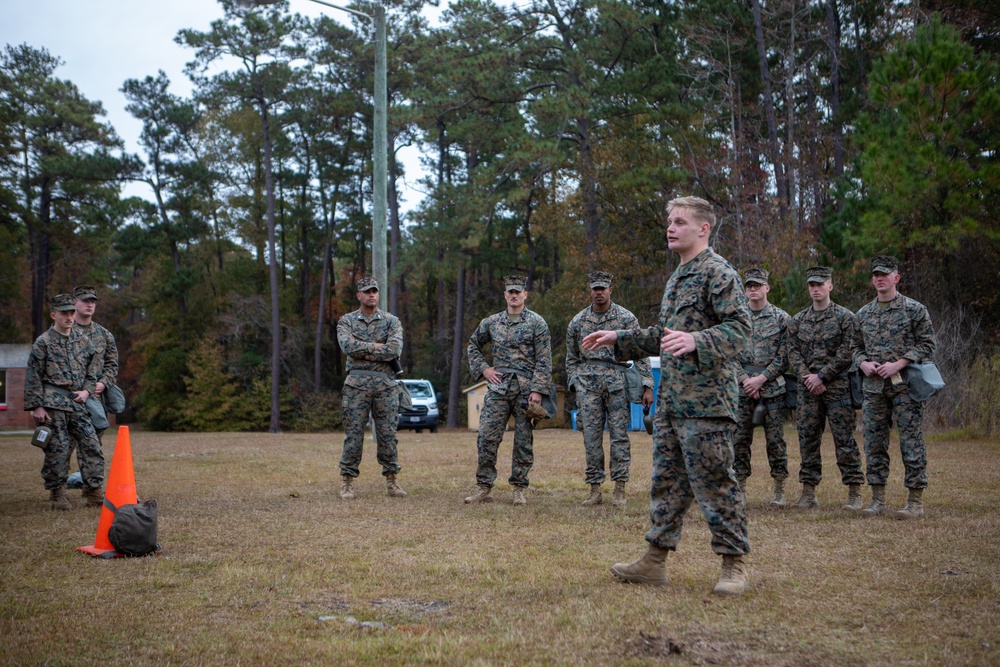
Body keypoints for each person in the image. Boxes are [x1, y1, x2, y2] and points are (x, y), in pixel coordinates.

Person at [581, 196, 752, 596]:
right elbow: (664, 334)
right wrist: (619, 337)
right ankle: (654, 561)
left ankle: (734, 564)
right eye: (669, 222)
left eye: (680, 222)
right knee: (667, 483)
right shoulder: (679, 275)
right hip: (673, 402)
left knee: (716, 483)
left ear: (703, 228)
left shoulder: (718, 272)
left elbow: (742, 330)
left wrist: (698, 339)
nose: (671, 228)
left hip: (708, 403)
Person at [853, 255, 936, 520]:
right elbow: (853, 347)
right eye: (876, 275)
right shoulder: (863, 314)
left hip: (905, 388)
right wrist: (862, 362)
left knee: (911, 442)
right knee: (874, 444)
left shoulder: (914, 310)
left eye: (885, 275)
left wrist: (898, 363)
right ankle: (877, 499)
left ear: (896, 278)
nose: (879, 279)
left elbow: (927, 345)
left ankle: (915, 501)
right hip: (874, 389)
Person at [566, 271, 653, 507]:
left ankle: (619, 488)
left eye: (603, 288)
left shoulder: (626, 318)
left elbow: (641, 351)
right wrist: (575, 382)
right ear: (590, 290)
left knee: (619, 438)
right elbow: (571, 358)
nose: (599, 292)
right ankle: (594, 489)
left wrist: (647, 385)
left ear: (610, 289)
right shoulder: (578, 322)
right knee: (591, 439)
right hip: (588, 387)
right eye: (595, 288)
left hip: (617, 383)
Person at [465, 275, 552, 506]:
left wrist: (538, 390)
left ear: (525, 294)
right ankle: (484, 486)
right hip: (498, 387)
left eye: (518, 291)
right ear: (505, 295)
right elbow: (473, 345)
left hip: (526, 390)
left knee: (523, 441)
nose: (514, 295)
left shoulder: (537, 323)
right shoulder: (491, 322)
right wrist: (484, 369)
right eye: (510, 291)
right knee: (486, 437)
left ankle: (519, 488)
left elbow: (544, 359)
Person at [785, 266, 865, 510]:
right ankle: (808, 493)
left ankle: (854, 492)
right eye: (812, 285)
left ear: (830, 285)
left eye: (820, 284)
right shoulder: (798, 320)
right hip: (807, 389)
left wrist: (822, 376)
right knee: (807, 440)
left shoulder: (845, 318)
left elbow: (848, 351)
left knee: (844, 440)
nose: (816, 289)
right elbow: (792, 352)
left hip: (837, 388)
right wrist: (808, 377)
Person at [23, 294, 105, 510]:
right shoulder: (44, 343)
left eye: (71, 312)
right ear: (54, 315)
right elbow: (33, 377)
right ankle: (57, 493)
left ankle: (94, 491)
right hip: (53, 404)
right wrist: (37, 406)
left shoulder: (83, 341)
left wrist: (87, 391)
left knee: (91, 444)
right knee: (57, 450)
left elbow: (92, 371)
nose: (69, 317)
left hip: (78, 403)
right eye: (64, 313)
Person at [336, 277, 406, 500]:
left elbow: (394, 350)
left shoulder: (391, 321)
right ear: (359, 295)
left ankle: (392, 481)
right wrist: (377, 347)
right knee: (354, 436)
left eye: (375, 291)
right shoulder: (346, 321)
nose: (372, 295)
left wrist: (363, 350)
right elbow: (347, 346)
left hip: (386, 386)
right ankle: (347, 482)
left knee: (388, 435)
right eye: (367, 292)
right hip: (356, 386)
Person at [732, 268, 791, 506]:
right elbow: (729, 352)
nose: (753, 290)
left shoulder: (781, 318)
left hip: (772, 388)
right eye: (749, 286)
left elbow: (785, 355)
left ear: (767, 287)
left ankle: (779, 489)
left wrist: (762, 378)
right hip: (742, 389)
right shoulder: (736, 318)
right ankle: (740, 488)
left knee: (775, 441)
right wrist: (746, 379)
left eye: (758, 285)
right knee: (739, 440)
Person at [73, 285, 119, 440]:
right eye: (85, 300)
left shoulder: (104, 335)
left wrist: (103, 383)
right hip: (70, 398)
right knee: (62, 449)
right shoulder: (63, 332)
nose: (90, 304)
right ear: (75, 303)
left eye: (93, 301)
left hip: (95, 399)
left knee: (92, 448)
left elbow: (112, 365)